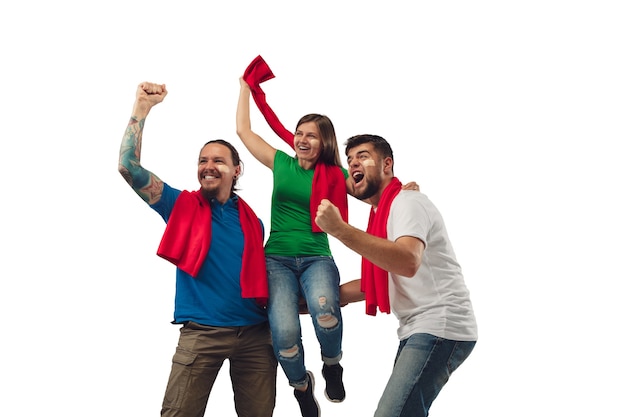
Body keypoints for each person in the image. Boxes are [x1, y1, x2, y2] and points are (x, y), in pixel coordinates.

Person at [118, 81, 277, 417]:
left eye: (218, 160)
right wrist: (142, 108)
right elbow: (128, 167)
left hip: (255, 334)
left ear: (236, 170)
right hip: (202, 333)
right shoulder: (179, 205)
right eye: (203, 159)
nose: (208, 165)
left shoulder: (254, 222)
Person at [314, 134, 478, 417]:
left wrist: (340, 230)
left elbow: (406, 261)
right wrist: (316, 301)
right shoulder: (383, 212)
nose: (354, 163)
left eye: (363, 156)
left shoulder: (407, 203)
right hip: (420, 327)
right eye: (350, 160)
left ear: (386, 164)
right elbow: (376, 283)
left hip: (440, 325)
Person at [236, 71, 348, 417]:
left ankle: (332, 364)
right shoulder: (281, 163)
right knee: (284, 335)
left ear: (324, 142)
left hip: (316, 257)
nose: (302, 140)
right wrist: (244, 88)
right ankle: (301, 387)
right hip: (277, 260)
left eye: (311, 136)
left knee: (325, 313)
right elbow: (244, 132)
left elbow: (373, 192)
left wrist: (402, 190)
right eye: (299, 133)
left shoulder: (336, 176)